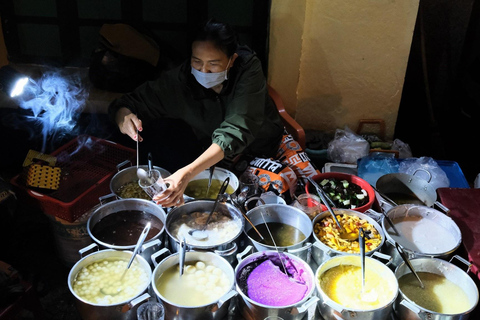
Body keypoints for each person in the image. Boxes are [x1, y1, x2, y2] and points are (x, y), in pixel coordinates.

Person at [108, 19, 284, 207]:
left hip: (261, 149)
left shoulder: (247, 70)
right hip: (213, 155)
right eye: (197, 61)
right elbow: (130, 102)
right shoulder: (182, 79)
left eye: (214, 64)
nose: (204, 71)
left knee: (260, 202)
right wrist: (124, 117)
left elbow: (236, 131)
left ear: (232, 60)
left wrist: (187, 174)